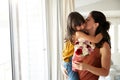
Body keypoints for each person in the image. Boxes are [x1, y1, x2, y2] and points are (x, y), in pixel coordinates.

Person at [61, 11, 103, 80]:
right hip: (68, 62)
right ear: (73, 27)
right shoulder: (78, 33)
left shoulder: (74, 33)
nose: (83, 26)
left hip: (68, 60)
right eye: (79, 26)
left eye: (82, 23)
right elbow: (95, 40)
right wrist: (102, 34)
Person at [72, 10, 111, 80]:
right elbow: (69, 54)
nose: (84, 21)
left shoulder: (104, 46)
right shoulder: (81, 37)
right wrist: (63, 65)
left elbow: (105, 72)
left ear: (96, 24)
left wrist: (87, 67)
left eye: (88, 19)